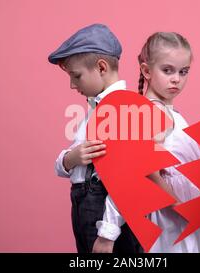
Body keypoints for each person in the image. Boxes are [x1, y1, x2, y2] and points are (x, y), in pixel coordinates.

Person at [93, 32, 200, 253]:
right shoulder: (147, 114)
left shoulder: (174, 115)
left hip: (199, 217)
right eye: (168, 70)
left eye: (183, 71)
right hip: (175, 222)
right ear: (146, 70)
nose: (176, 78)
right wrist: (107, 234)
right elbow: (136, 177)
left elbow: (192, 173)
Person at [49, 23, 142, 253]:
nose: (72, 85)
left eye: (76, 76)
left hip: (107, 216)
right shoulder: (93, 110)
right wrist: (71, 158)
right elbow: (61, 166)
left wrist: (108, 234)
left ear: (101, 68)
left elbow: (128, 179)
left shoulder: (123, 109)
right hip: (84, 208)